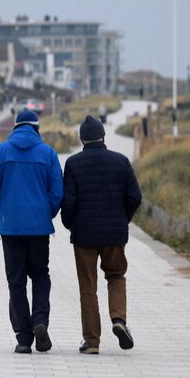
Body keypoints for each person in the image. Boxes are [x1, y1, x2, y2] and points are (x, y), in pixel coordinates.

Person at [0, 110, 64, 354]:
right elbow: (57, 192)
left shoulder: (1, 152)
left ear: (16, 128)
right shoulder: (48, 153)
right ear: (37, 128)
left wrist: (3, 212)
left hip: (11, 227)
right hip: (39, 228)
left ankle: (24, 338)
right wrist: (45, 213)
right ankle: (39, 320)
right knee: (40, 275)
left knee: (16, 281)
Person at [61, 116, 142, 355]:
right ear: (104, 136)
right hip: (114, 235)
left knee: (88, 287)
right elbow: (135, 197)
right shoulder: (121, 162)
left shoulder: (74, 164)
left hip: (84, 236)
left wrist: (70, 224)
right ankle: (119, 320)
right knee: (116, 276)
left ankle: (92, 341)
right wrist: (122, 219)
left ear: (81, 139)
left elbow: (68, 203)